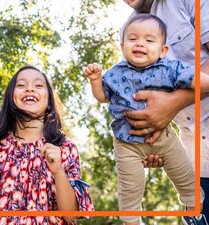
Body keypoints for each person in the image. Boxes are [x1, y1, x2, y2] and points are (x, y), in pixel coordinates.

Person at [103, 0, 209, 225]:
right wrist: (147, 146)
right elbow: (143, 102)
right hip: (198, 162)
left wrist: (172, 105)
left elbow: (167, 104)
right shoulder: (131, 31)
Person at [84, 14, 208, 224]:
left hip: (164, 139)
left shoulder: (170, 69)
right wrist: (95, 80)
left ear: (163, 50)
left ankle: (193, 201)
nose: (140, 43)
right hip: (126, 144)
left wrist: (197, 81)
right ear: (123, 46)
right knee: (130, 187)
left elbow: (201, 82)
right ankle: (131, 220)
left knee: (184, 173)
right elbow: (102, 97)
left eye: (149, 40)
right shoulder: (114, 73)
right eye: (133, 39)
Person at [0, 65, 94, 224]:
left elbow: (70, 216)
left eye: (38, 85)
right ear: (10, 98)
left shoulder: (65, 148)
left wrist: (58, 172)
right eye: (21, 85)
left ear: (49, 101)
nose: (29, 89)